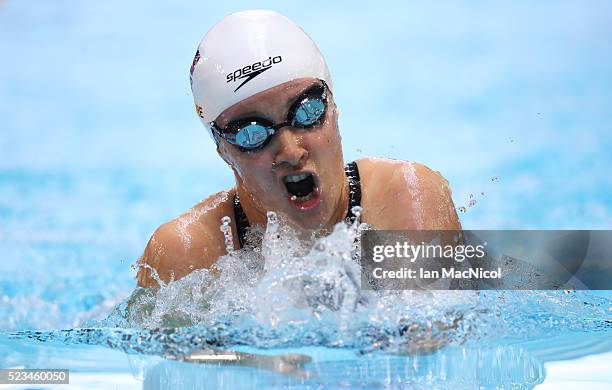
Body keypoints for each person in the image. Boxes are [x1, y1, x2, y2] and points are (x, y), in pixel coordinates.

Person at [136, 10, 461, 288]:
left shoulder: (403, 197)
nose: (291, 151)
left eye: (307, 112)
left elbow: (431, 344)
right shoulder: (188, 253)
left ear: (333, 107)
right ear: (223, 150)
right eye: (252, 133)